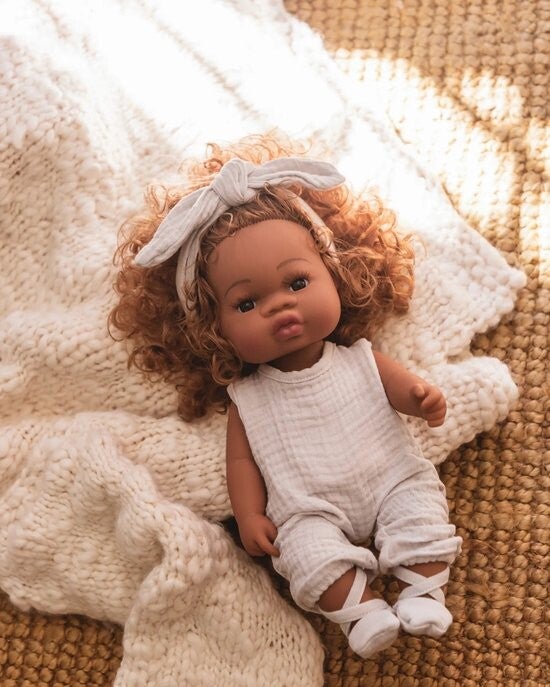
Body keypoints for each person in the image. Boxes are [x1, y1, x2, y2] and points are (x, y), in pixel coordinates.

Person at [110, 134, 462, 659]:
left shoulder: (360, 358)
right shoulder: (249, 397)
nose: (279, 307)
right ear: (213, 329)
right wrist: (250, 514)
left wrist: (421, 397)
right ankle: (361, 611)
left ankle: (424, 591)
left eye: (296, 283)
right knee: (303, 555)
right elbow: (241, 462)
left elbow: (403, 390)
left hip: (392, 479)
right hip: (307, 509)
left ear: (335, 274)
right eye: (247, 303)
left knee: (422, 512)